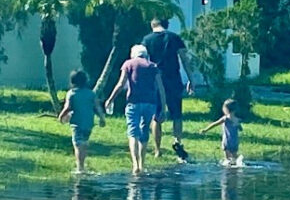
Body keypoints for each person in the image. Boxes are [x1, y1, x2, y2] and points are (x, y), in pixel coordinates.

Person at [105, 44, 168, 174]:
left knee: (133, 132)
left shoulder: (128, 64)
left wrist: (110, 99)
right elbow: (161, 88)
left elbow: (121, 84)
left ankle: (135, 164)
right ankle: (142, 164)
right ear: (145, 54)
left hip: (133, 102)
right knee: (144, 131)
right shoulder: (153, 66)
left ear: (133, 54)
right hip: (150, 103)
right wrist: (163, 107)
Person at [142, 18, 196, 160]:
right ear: (166, 25)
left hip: (156, 79)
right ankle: (177, 142)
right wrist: (191, 79)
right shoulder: (174, 38)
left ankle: (157, 150)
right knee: (177, 114)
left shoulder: (147, 40)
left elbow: (143, 61)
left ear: (152, 25)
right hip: (173, 79)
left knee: (157, 116)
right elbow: (184, 58)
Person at [58, 70, 105, 173]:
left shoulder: (71, 93)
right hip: (88, 123)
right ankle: (82, 164)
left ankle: (80, 167)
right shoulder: (91, 94)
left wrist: (61, 116)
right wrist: (102, 118)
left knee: (78, 145)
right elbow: (97, 107)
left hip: (77, 123)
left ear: (72, 81)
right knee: (83, 143)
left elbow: (67, 107)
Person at [200, 99, 243, 167]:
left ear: (226, 109)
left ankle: (228, 168)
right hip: (235, 141)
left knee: (227, 159)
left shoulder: (225, 118)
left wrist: (205, 130)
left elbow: (214, 124)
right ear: (235, 110)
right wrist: (237, 124)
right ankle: (238, 163)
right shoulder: (237, 120)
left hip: (226, 141)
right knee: (234, 158)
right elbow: (241, 129)